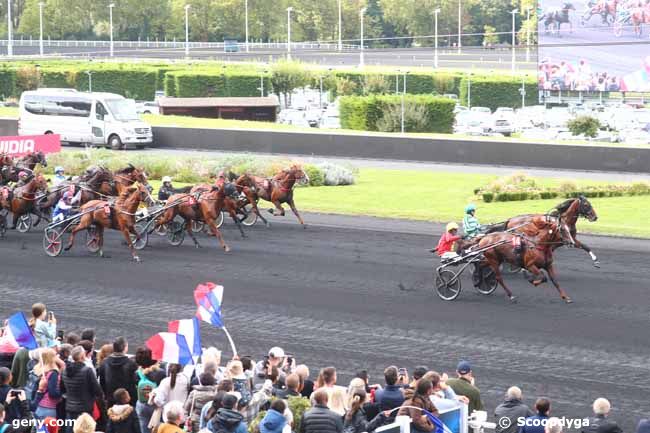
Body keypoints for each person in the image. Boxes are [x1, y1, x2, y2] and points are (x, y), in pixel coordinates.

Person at [62, 346, 104, 429]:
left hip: (70, 407)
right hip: (85, 408)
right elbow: (97, 390)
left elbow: (63, 388)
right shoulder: (87, 371)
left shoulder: (64, 371)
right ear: (82, 356)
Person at [99, 337, 138, 408]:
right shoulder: (131, 364)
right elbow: (134, 383)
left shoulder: (104, 363)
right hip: (127, 401)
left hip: (111, 400)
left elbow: (102, 383)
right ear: (125, 348)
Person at [134, 347, 165, 433]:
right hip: (156, 405)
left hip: (142, 404)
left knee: (144, 429)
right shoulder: (161, 373)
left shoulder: (137, 373)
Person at [34, 348, 63, 420]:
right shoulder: (53, 373)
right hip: (48, 408)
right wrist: (61, 394)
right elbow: (52, 393)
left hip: (38, 405)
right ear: (51, 358)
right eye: (55, 356)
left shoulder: (38, 370)